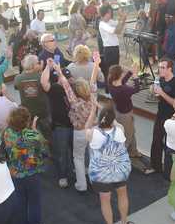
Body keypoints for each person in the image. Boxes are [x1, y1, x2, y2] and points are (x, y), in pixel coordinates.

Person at [85, 104, 135, 224]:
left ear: (99, 118)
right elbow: (114, 122)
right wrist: (105, 111)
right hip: (120, 171)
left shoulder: (92, 133)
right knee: (123, 196)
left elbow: (87, 127)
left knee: (105, 201)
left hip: (101, 175)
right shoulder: (119, 130)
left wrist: (93, 111)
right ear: (112, 119)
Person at [2, 108, 48, 224]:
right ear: (26, 121)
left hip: (14, 173)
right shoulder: (31, 134)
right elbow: (44, 150)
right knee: (34, 204)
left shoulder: (7, 133)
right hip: (32, 173)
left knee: (20, 203)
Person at [56, 53, 100, 192]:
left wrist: (58, 71)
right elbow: (93, 79)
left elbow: (65, 85)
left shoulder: (75, 102)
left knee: (78, 158)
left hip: (80, 132)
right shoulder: (92, 94)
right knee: (93, 156)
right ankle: (95, 180)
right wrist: (96, 64)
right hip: (94, 130)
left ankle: (81, 185)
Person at [40, 61, 73, 188]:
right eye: (65, 77)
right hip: (61, 127)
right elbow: (44, 83)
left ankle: (78, 170)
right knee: (62, 153)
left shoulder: (74, 87)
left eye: (69, 77)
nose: (69, 79)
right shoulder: (55, 89)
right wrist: (48, 67)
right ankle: (63, 175)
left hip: (77, 126)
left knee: (76, 151)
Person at [151, 57, 175, 173]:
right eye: (159, 67)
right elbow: (157, 95)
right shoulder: (160, 80)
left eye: (163, 67)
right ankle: (155, 167)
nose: (160, 70)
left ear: (170, 69)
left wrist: (162, 93)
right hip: (160, 114)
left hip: (172, 117)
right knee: (156, 141)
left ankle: (169, 170)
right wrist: (154, 92)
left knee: (169, 145)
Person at [107, 63, 142, 158]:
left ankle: (133, 151)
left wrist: (130, 72)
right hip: (126, 115)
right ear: (120, 75)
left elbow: (122, 81)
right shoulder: (124, 89)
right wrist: (135, 77)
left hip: (118, 112)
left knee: (131, 131)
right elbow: (137, 89)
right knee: (128, 136)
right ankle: (119, 156)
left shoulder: (111, 84)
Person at [14, 54, 48, 133]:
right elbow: (47, 88)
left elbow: (16, 87)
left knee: (29, 133)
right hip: (42, 110)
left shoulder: (18, 78)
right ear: (33, 65)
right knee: (45, 132)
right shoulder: (41, 76)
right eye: (38, 63)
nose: (39, 64)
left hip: (27, 110)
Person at [98, 4, 127, 82]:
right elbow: (117, 31)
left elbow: (119, 26)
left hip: (115, 48)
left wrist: (123, 18)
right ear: (106, 13)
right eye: (110, 13)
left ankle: (116, 85)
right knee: (110, 70)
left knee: (116, 69)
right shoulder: (102, 24)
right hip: (109, 49)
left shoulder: (110, 21)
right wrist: (122, 19)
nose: (111, 14)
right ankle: (109, 89)